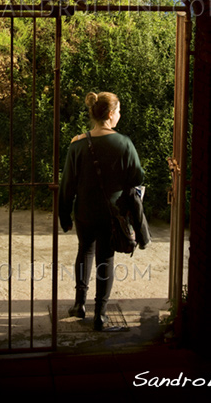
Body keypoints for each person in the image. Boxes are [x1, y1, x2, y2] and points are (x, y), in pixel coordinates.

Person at [58, 91, 144, 331]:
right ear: (109, 114)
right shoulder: (124, 143)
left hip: (84, 211)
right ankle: (101, 314)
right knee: (105, 258)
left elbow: (67, 185)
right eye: (118, 111)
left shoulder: (77, 144)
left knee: (84, 251)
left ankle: (79, 305)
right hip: (112, 214)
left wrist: (64, 216)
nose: (119, 115)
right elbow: (137, 176)